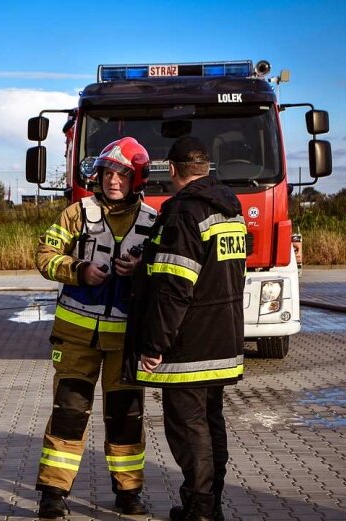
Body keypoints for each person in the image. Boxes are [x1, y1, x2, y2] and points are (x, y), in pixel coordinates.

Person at [123, 136, 246, 521]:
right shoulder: (230, 210)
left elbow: (176, 286)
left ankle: (200, 509)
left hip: (189, 345)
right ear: (205, 168)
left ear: (172, 170)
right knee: (211, 424)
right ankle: (211, 503)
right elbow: (212, 272)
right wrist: (143, 266)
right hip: (223, 337)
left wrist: (155, 344)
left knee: (189, 431)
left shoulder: (184, 213)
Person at [34, 137, 157, 518]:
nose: (113, 180)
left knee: (126, 418)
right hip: (76, 337)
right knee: (69, 413)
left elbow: (165, 275)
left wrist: (140, 272)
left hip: (125, 340)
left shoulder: (154, 222)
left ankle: (128, 494)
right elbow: (44, 255)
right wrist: (78, 270)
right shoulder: (76, 214)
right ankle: (53, 495)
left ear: (136, 177)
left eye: (122, 173)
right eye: (107, 172)